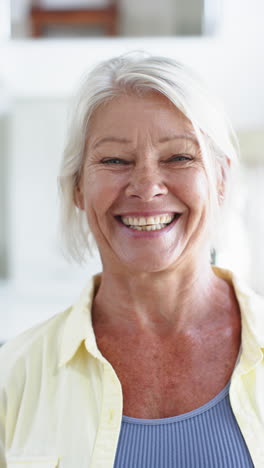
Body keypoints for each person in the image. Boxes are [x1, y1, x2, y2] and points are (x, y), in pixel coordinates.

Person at [0, 52, 263, 468]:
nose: (146, 186)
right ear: (78, 189)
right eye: (114, 161)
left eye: (179, 157)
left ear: (222, 179)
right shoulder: (11, 376)